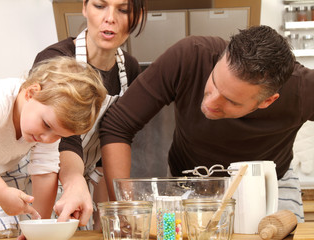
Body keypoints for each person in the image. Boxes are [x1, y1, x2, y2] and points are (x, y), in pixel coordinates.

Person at [99, 25, 314, 223]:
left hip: (270, 185)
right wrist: (124, 211)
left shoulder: (303, 89)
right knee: (169, 235)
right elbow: (117, 125)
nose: (210, 103)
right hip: (187, 186)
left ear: (268, 101)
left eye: (231, 100)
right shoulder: (191, 55)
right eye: (214, 82)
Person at [0, 56, 107, 239]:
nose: (48, 138)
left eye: (59, 136)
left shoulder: (46, 127)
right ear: (31, 93)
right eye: (47, 125)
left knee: (12, 216)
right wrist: (1, 192)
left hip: (1, 169)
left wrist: (38, 225)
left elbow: (45, 171)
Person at [32, 0, 147, 229]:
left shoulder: (129, 68)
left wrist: (108, 213)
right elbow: (65, 135)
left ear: (138, 16)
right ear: (84, 7)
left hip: (89, 180)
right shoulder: (56, 59)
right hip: (45, 178)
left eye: (123, 10)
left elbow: (112, 140)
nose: (110, 18)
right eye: (100, 6)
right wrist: (75, 183)